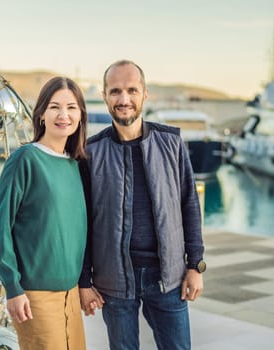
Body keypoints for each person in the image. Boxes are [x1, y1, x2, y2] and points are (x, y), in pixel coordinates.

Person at [78, 60, 205, 350]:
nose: (124, 100)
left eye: (132, 90)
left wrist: (195, 265)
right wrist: (84, 281)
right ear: (105, 95)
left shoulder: (171, 143)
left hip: (168, 278)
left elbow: (189, 204)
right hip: (115, 282)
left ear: (145, 94)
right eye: (115, 91)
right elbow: (83, 222)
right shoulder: (91, 153)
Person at [0, 76, 89, 350]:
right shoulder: (25, 159)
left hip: (71, 295)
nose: (63, 115)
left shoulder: (75, 165)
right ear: (42, 113)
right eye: (55, 107)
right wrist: (13, 288)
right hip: (35, 297)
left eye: (71, 108)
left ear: (80, 115)